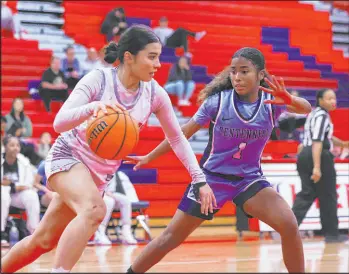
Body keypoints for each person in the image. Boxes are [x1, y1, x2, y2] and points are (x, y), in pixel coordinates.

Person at [0, 24, 215, 273]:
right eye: (152, 57)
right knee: (95, 210)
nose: (158, 64)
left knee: (42, 240)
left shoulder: (155, 94)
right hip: (68, 156)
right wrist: (93, 108)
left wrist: (199, 179)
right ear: (128, 57)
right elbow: (60, 122)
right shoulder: (99, 79)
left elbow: (177, 139)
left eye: (159, 57)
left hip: (99, 176)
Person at [125, 47, 312, 273]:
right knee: (170, 237)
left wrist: (289, 98)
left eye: (244, 71)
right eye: (234, 71)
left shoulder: (272, 102)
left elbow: (306, 109)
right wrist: (149, 156)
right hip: (212, 180)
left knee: (289, 225)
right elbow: (181, 134)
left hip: (249, 180)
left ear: (261, 75)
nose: (237, 77)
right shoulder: (218, 101)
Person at [292, 88, 349, 243]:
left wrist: (342, 143)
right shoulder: (323, 116)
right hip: (319, 155)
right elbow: (318, 141)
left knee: (307, 193)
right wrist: (317, 167)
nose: (333, 101)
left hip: (304, 154)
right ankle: (332, 234)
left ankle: (288, 228)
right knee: (328, 195)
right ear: (320, 100)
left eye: (334, 98)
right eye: (329, 98)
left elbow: (324, 136)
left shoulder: (313, 114)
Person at [1, 136, 41, 246]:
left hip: (16, 196)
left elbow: (28, 184)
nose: (15, 148)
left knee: (32, 195)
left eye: (17, 145)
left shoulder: (24, 162)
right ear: (5, 147)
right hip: (3, 195)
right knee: (3, 193)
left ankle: (33, 232)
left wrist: (11, 185)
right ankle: (2, 232)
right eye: (12, 145)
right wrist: (10, 186)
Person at [94, 171, 138, 245]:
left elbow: (111, 189)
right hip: (95, 194)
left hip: (107, 194)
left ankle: (126, 231)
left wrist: (110, 193)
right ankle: (100, 232)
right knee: (109, 201)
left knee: (125, 200)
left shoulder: (111, 168)